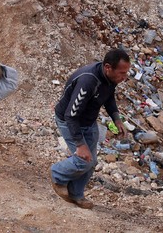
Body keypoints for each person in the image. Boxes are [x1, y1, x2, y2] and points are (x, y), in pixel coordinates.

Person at [50, 48, 130, 209]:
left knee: (91, 162)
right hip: (70, 121)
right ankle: (57, 173)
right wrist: (80, 144)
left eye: (126, 72)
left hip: (88, 122)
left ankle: (76, 194)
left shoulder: (110, 79)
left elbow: (109, 97)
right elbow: (71, 115)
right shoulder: (88, 81)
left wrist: (117, 119)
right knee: (83, 160)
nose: (124, 77)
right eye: (122, 73)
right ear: (108, 67)